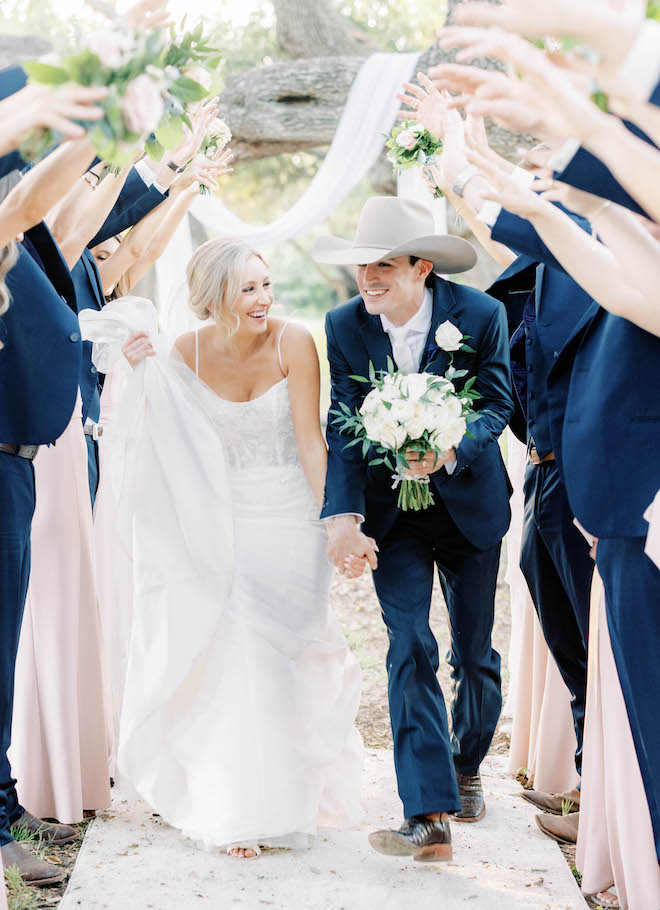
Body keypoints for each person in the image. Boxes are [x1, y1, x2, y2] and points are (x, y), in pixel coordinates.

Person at [84, 237, 363, 858]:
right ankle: (240, 808)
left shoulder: (296, 341)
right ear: (215, 296)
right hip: (219, 523)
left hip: (289, 518)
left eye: (266, 284)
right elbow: (163, 440)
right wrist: (137, 372)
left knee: (289, 659)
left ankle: (291, 791)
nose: (265, 298)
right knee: (238, 659)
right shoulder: (181, 353)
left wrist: (337, 521)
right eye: (249, 288)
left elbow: (311, 442)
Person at [312, 196, 513, 861]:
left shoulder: (480, 315)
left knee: (474, 656)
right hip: (391, 516)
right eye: (363, 267)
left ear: (421, 267)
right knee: (409, 643)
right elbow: (341, 430)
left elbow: (497, 400)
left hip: (469, 507)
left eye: (385, 267)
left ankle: (466, 763)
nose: (370, 279)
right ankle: (427, 813)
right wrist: (342, 515)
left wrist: (451, 446)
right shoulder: (343, 325)